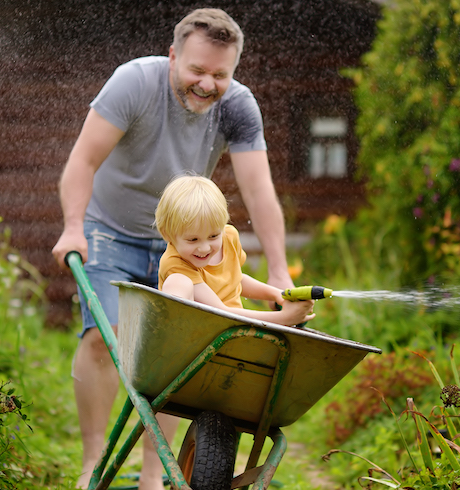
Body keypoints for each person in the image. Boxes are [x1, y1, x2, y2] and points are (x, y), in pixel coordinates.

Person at [49, 8, 295, 490]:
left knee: (173, 356)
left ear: (234, 71)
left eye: (220, 74)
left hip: (186, 245)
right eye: (197, 70)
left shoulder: (238, 107)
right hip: (109, 228)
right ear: (172, 57)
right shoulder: (133, 84)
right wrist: (73, 226)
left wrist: (281, 270)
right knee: (104, 337)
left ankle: (152, 474)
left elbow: (259, 192)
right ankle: (92, 463)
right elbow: (83, 159)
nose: (207, 83)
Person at [155, 175, 315, 325]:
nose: (204, 247)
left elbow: (236, 278)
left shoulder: (229, 236)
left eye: (213, 236)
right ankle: (174, 336)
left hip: (233, 332)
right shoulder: (175, 264)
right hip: (203, 334)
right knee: (178, 282)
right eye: (193, 239)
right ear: (167, 234)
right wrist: (283, 318)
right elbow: (220, 312)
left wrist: (276, 294)